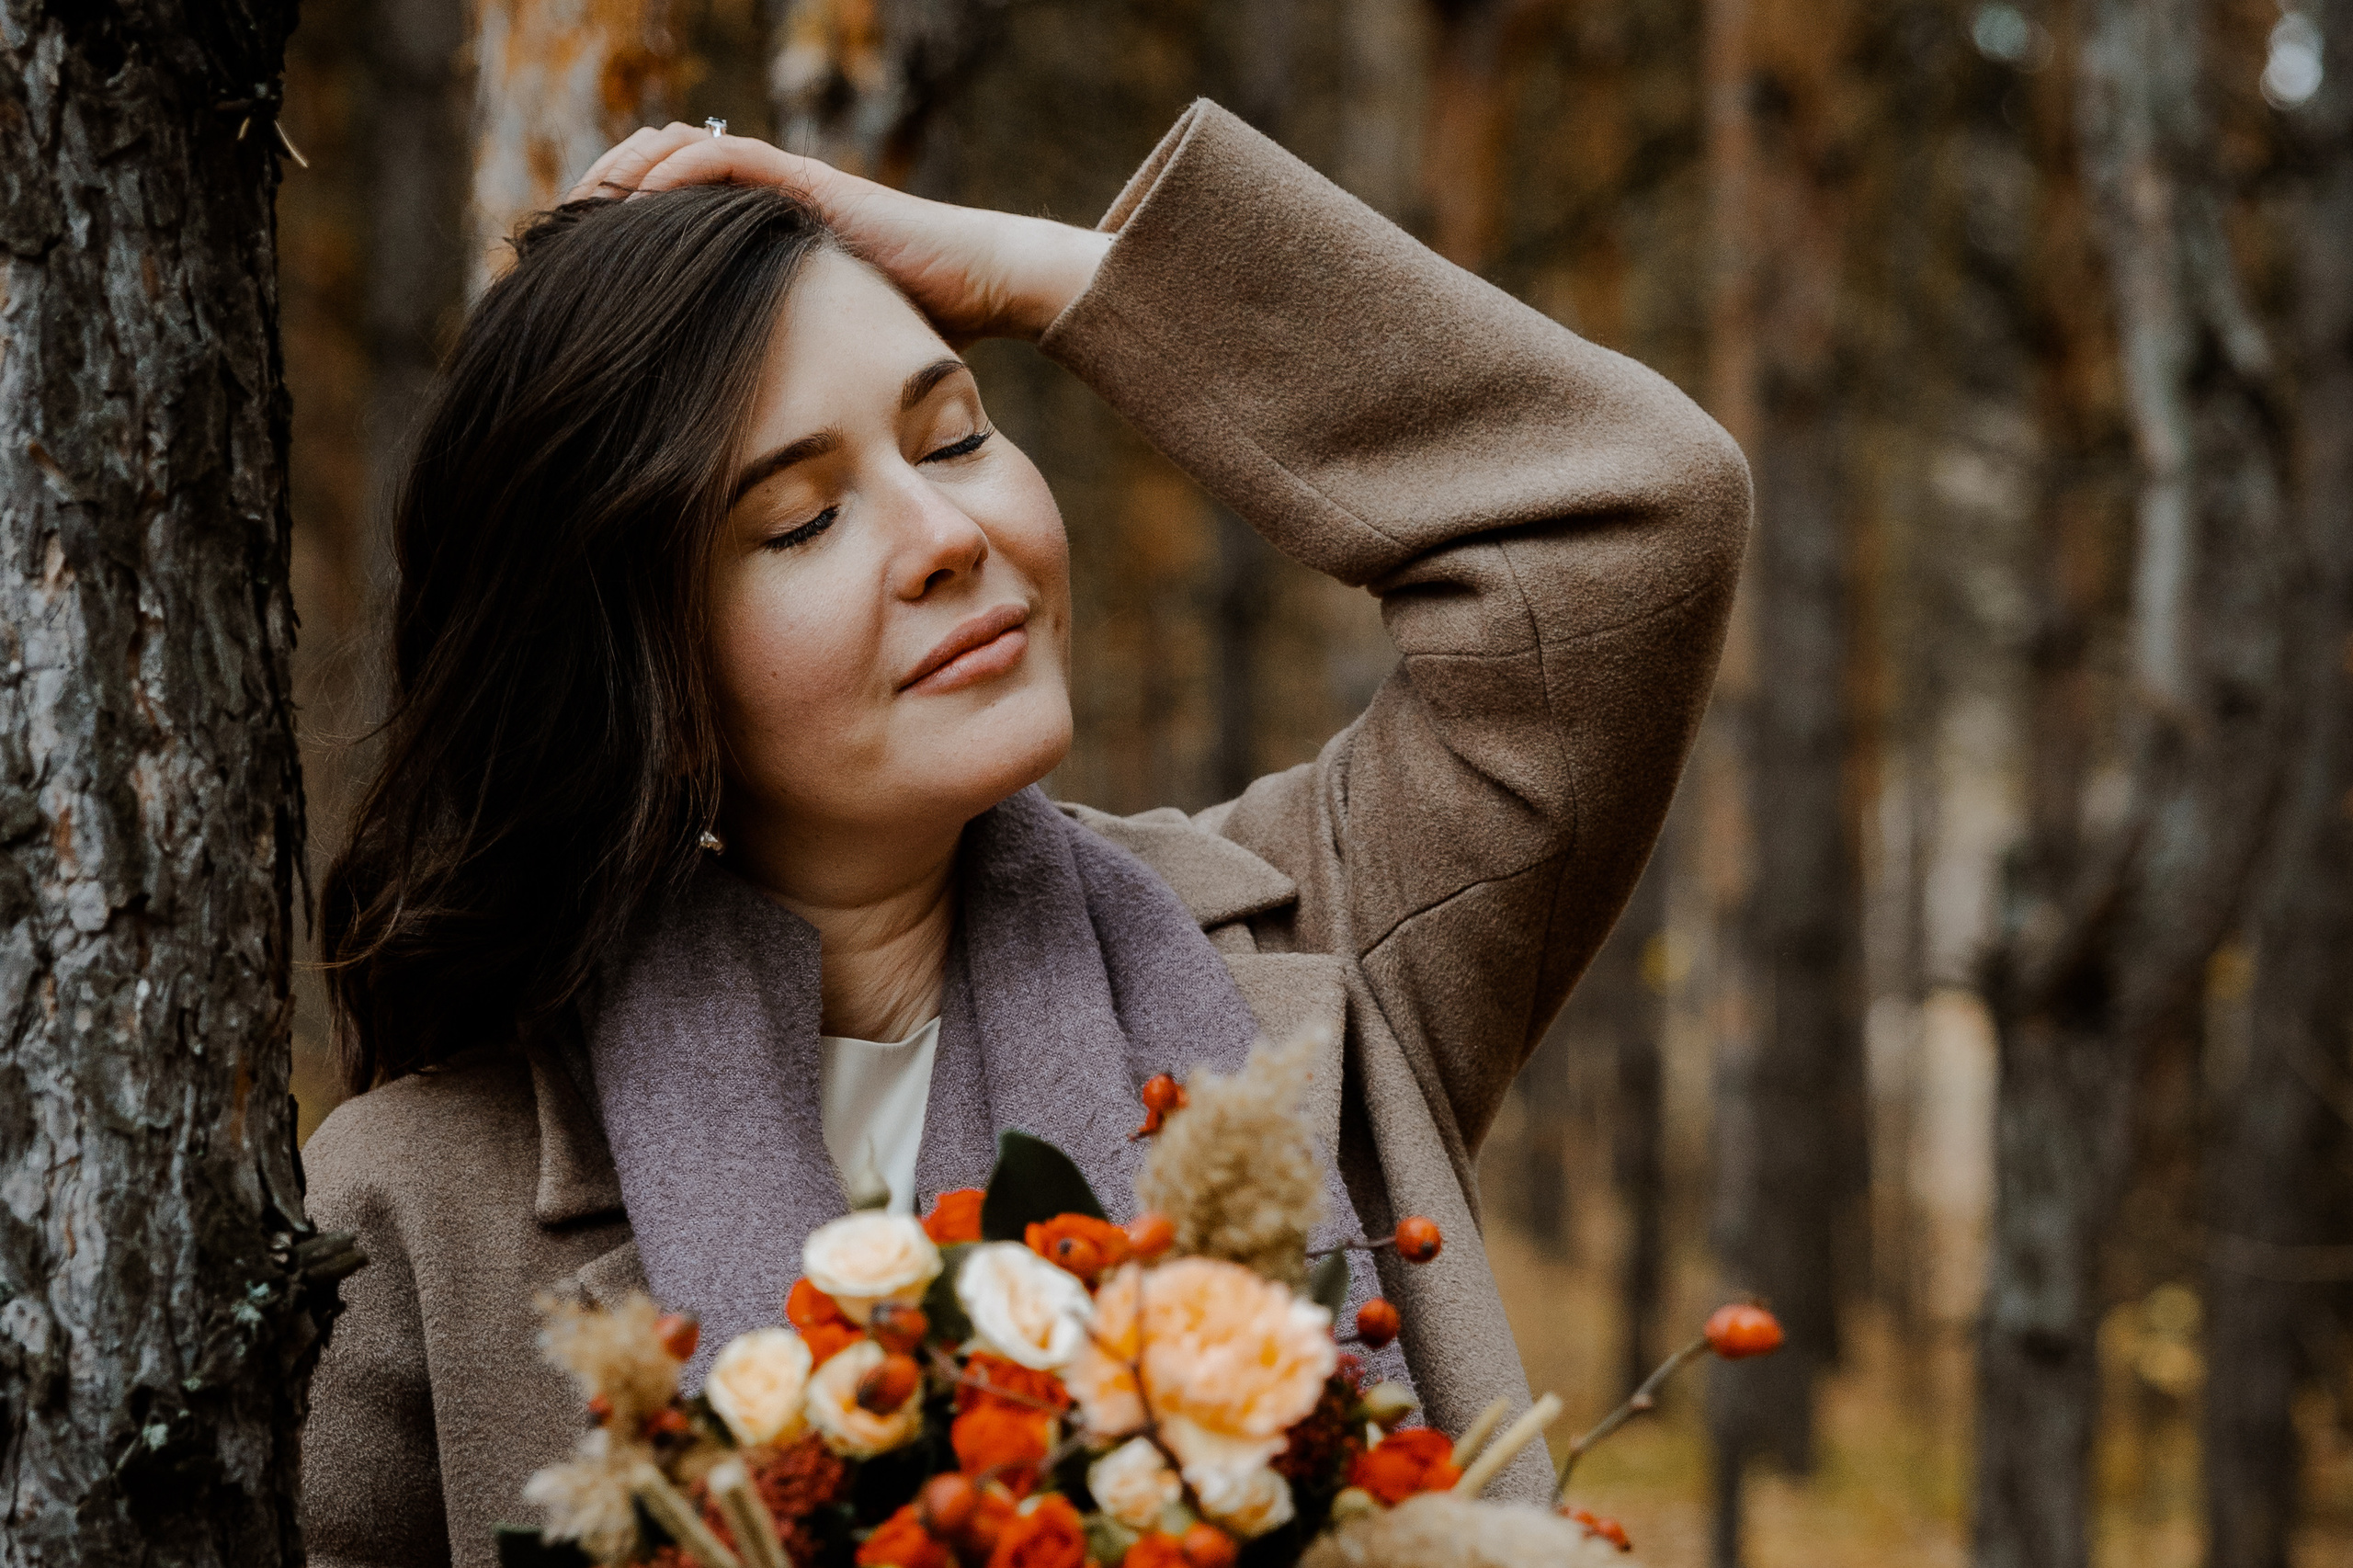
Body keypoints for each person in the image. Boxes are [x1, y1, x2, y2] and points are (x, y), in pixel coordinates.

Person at [299, 101, 1748, 1565]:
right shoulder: (414, 1207)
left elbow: (1633, 517)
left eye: (957, 433)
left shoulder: (1313, 945)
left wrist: (1034, 273)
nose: (944, 533)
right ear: (640, 678)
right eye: (802, 519)